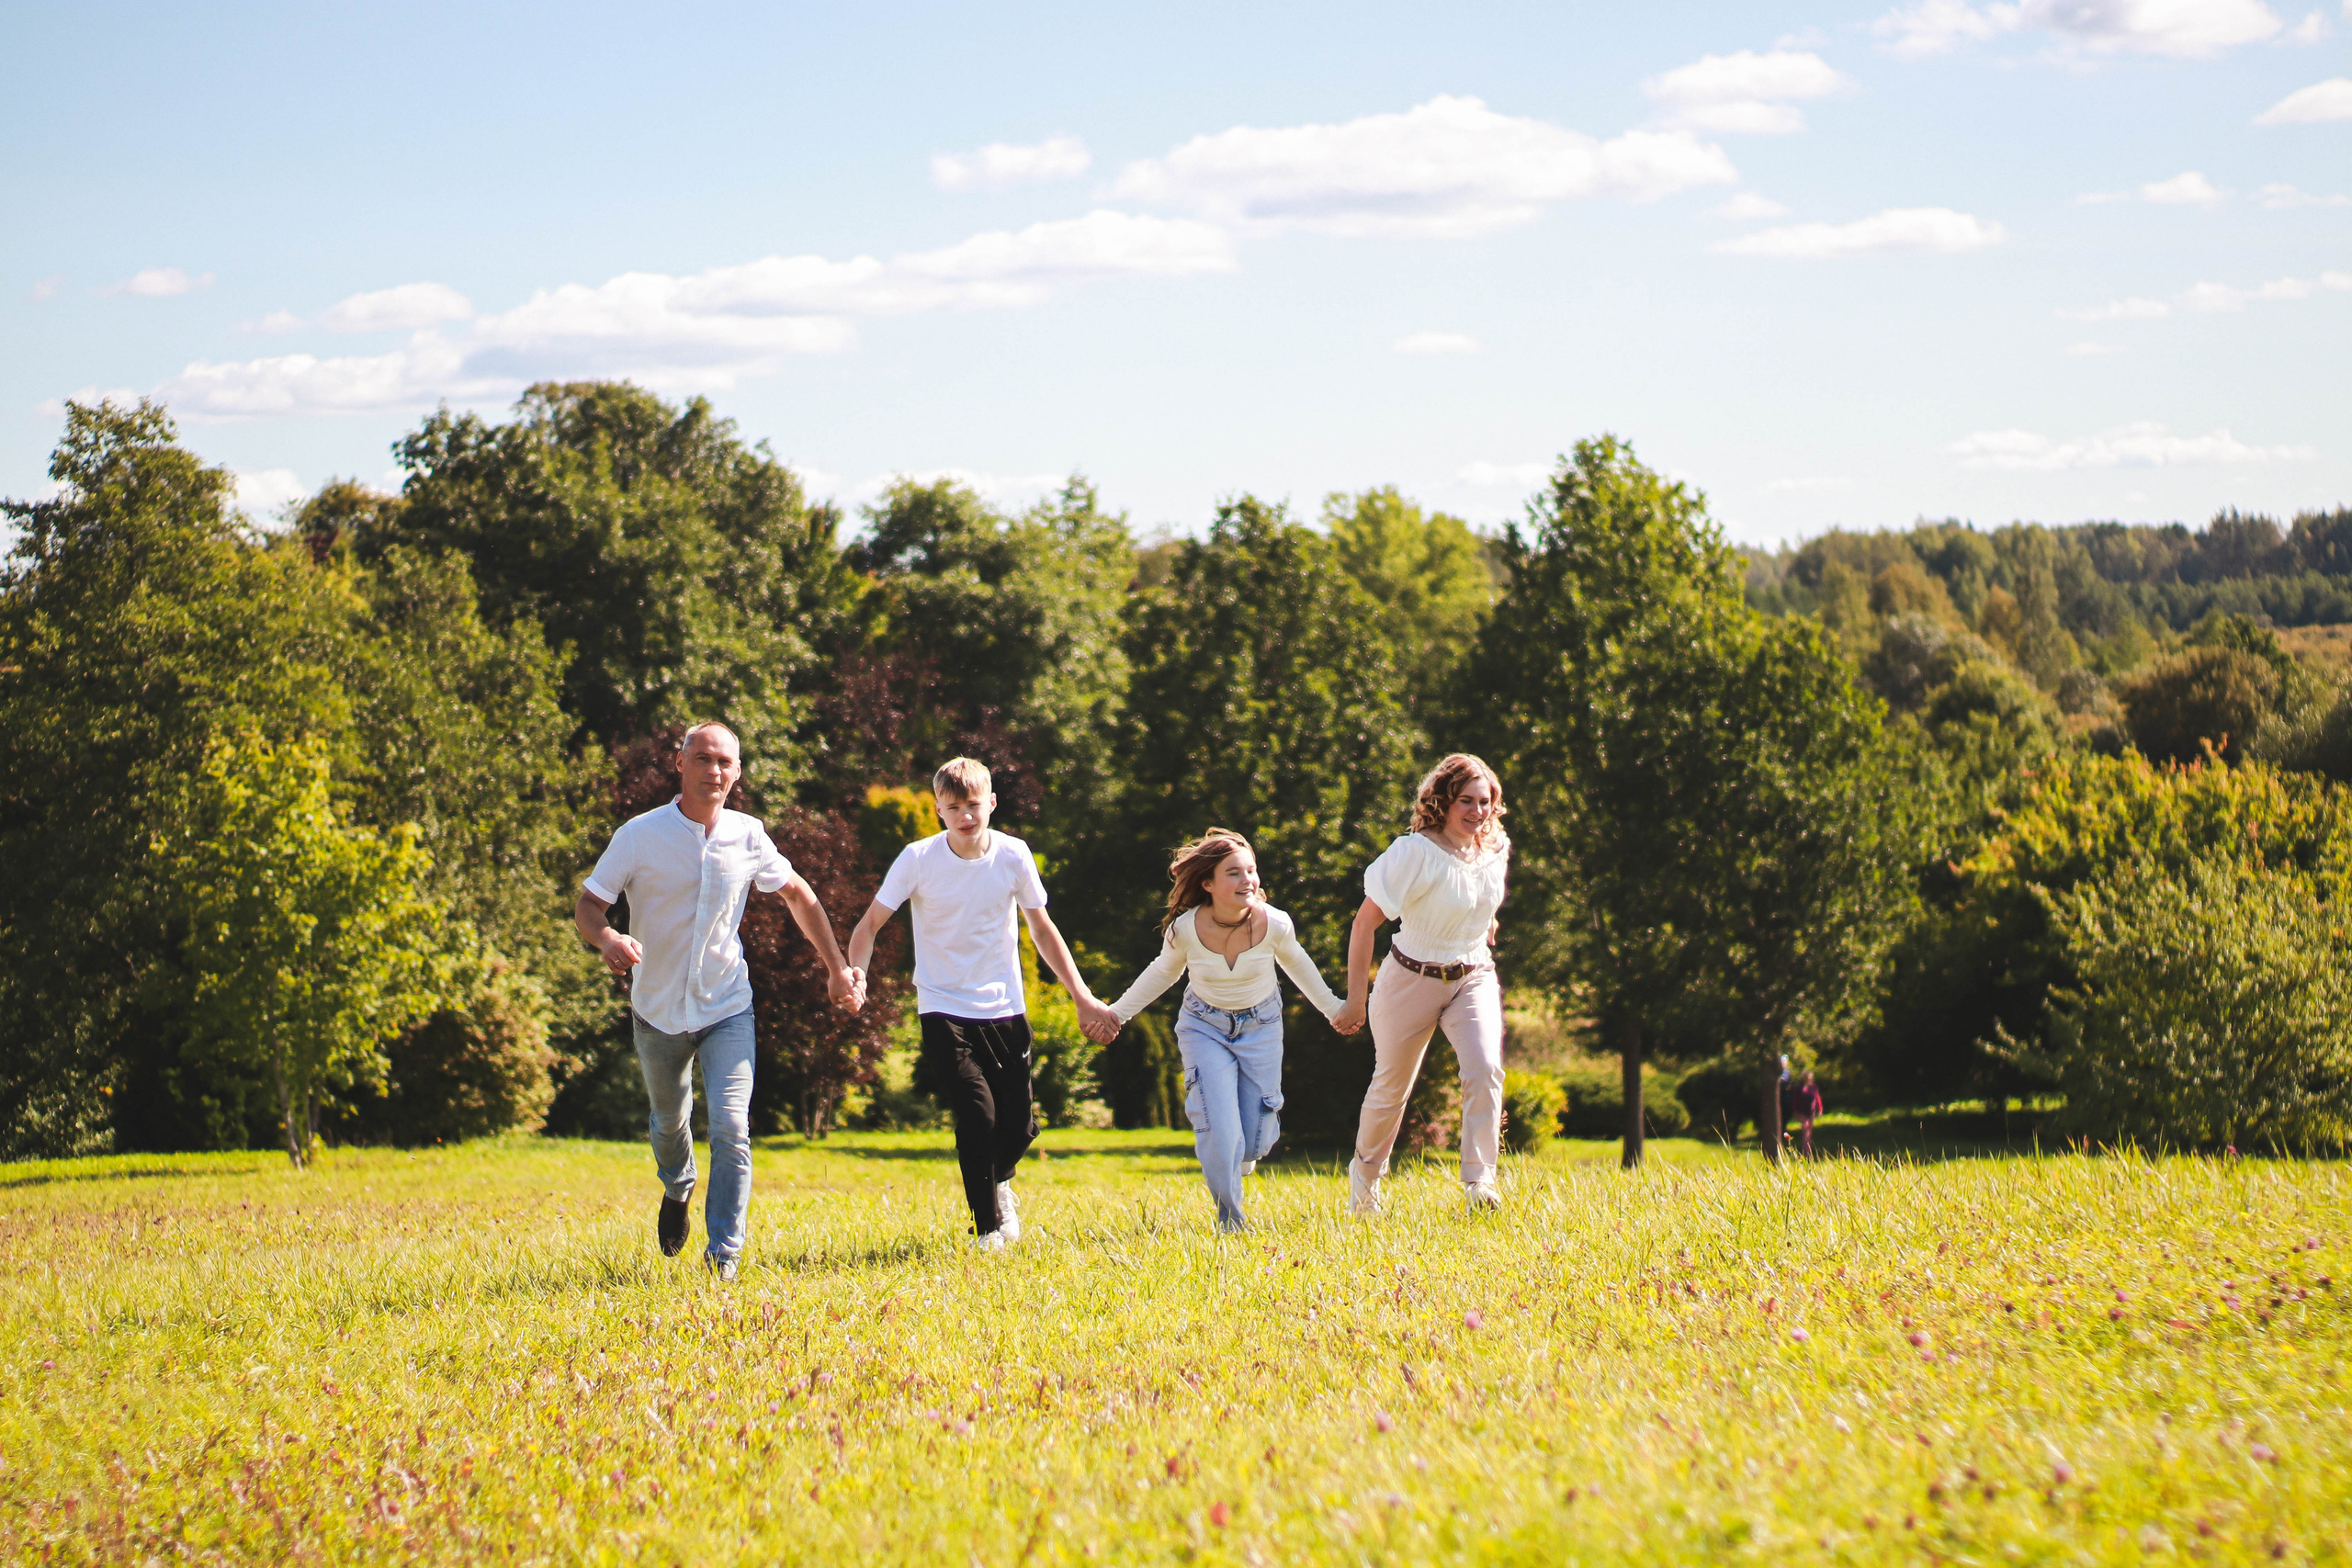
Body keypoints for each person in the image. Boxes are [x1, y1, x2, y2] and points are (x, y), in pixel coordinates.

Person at [574, 722, 865, 1281]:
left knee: (732, 1125)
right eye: (703, 759)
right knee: (668, 1121)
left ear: (737, 773)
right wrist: (608, 938)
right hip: (656, 1008)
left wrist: (834, 968)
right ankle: (678, 1185)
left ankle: (723, 1258)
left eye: (725, 762)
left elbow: (799, 895)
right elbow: (590, 905)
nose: (715, 771)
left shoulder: (749, 835)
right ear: (678, 763)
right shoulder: (638, 835)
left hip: (727, 1003)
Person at [847, 758, 1117, 1250]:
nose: (966, 815)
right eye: (954, 807)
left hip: (1004, 1007)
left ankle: (999, 1181)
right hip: (942, 1005)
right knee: (978, 1115)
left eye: (973, 805)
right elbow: (867, 927)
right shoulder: (917, 859)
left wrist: (1082, 998)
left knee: (1019, 1124)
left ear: (991, 803)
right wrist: (857, 974)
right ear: (939, 812)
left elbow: (1042, 929)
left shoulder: (1014, 856)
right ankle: (987, 1228)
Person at [1084, 829, 1357, 1233]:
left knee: (1257, 1138)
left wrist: (1336, 1009)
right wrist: (1116, 1015)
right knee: (1219, 1129)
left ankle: (1240, 1157)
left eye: (1251, 870)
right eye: (1234, 873)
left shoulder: (1275, 924)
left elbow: (1300, 967)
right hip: (1203, 1027)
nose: (1248, 879)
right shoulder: (1186, 930)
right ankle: (1231, 1221)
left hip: (1261, 1026)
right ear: (1208, 884)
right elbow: (1162, 973)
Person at [1333, 754, 1511, 1216]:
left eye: (1485, 802)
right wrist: (1355, 1000)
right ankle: (1366, 1178)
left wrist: (1483, 923)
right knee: (1392, 1088)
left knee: (1486, 1069)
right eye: (1465, 801)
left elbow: (1482, 898)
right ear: (1442, 801)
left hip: (1473, 975)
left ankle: (1480, 1182)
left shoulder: (1495, 847)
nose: (1477, 812)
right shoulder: (1413, 853)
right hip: (1410, 978)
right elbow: (1363, 925)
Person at [1792, 1069, 1824, 1158]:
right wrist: (1795, 1110)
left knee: (1809, 1133)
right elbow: (1795, 1100)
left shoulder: (1814, 1087)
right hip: (1802, 1112)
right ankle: (1806, 1153)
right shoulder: (1798, 1088)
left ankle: (1808, 1151)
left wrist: (1820, 1108)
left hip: (1811, 1112)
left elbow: (1817, 1098)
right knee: (1805, 1131)